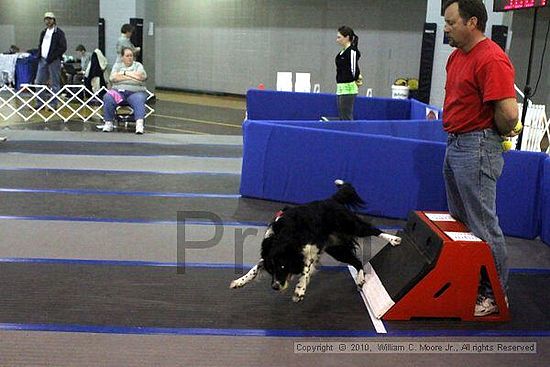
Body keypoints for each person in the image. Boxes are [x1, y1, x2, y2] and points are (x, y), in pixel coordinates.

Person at [442, 0, 519, 316]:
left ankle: (496, 296)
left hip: (478, 148)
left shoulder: (491, 59)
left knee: (484, 226)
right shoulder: (456, 57)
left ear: (471, 22)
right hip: (456, 145)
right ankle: (471, 283)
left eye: (450, 22)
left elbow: (509, 113)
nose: (446, 28)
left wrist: (496, 136)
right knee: (462, 222)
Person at [102, 47, 147, 134]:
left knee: (139, 99)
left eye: (131, 56)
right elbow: (112, 78)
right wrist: (132, 76)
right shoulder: (117, 66)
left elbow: (141, 77)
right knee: (108, 96)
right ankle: (108, 123)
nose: (130, 57)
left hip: (135, 92)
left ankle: (139, 125)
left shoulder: (138, 65)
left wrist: (124, 73)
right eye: (127, 56)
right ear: (122, 57)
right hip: (118, 92)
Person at [34, 11, 67, 110]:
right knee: (39, 82)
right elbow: (40, 45)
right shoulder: (43, 32)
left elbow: (63, 47)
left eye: (49, 19)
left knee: (55, 83)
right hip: (42, 60)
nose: (48, 21)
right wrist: (39, 55)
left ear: (54, 20)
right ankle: (40, 103)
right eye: (46, 19)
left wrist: (53, 56)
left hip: (54, 61)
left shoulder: (59, 33)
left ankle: (53, 104)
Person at [335, 25, 362, 120]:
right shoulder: (342, 52)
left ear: (346, 37)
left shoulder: (352, 51)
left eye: (339, 37)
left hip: (349, 88)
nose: (337, 40)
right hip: (341, 87)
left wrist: (355, 79)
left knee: (346, 116)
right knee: (342, 116)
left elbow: (354, 69)